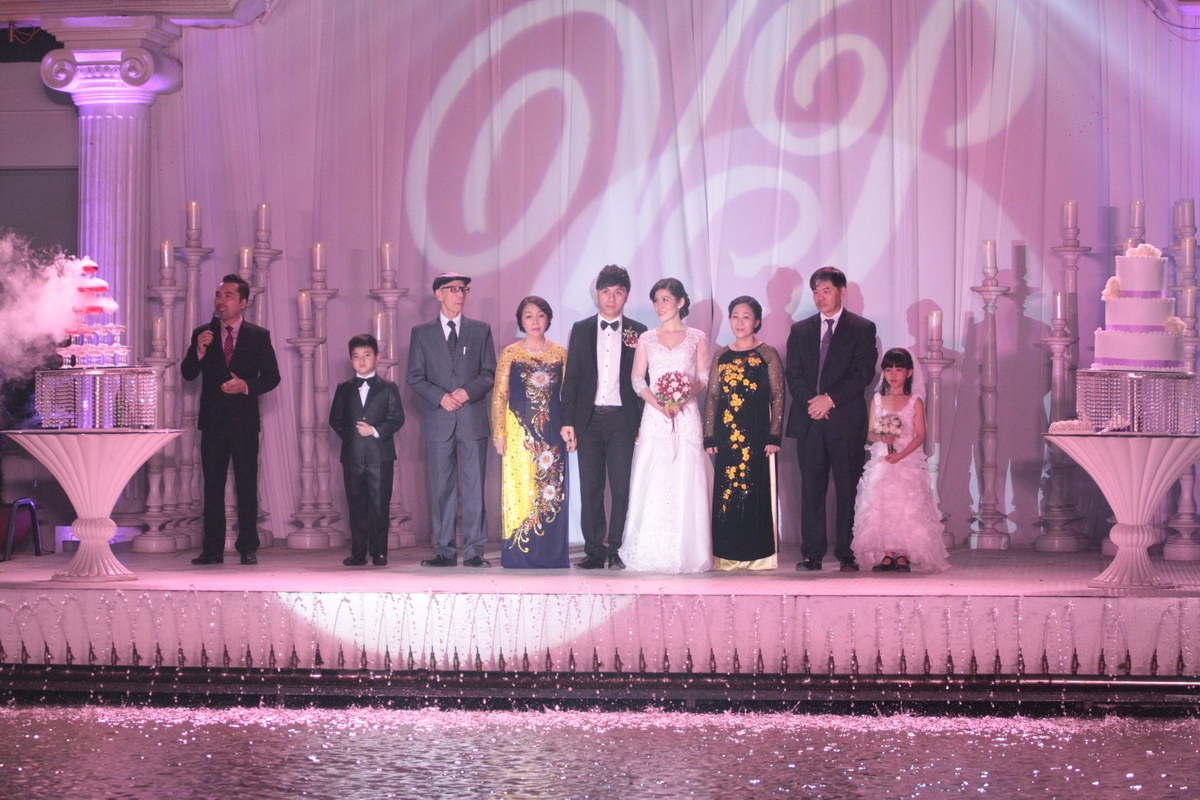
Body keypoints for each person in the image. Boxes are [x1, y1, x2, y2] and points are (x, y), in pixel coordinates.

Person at [181, 273, 280, 566]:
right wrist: (198, 351)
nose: (220, 301)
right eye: (218, 295)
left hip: (244, 421)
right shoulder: (203, 333)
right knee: (212, 486)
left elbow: (272, 377)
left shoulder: (258, 335)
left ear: (243, 302)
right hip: (213, 421)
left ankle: (247, 547)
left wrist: (245, 386)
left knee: (246, 484)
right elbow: (188, 373)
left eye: (228, 296)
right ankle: (212, 550)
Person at [785, 266, 877, 572]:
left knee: (848, 488)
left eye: (826, 291)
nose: (820, 297)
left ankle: (848, 552)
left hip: (845, 421)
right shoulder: (801, 331)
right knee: (811, 488)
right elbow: (793, 374)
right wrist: (812, 403)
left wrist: (830, 399)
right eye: (816, 292)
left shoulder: (862, 329)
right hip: (810, 420)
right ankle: (812, 553)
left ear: (842, 292)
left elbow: (862, 373)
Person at [621, 278, 713, 573]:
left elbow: (704, 377)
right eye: (656, 301)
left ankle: (689, 551)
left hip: (686, 415)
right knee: (655, 476)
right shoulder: (647, 338)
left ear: (680, 302)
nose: (659, 306)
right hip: (655, 416)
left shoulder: (697, 337)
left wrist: (684, 396)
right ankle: (652, 550)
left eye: (665, 300)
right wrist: (659, 404)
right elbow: (637, 379)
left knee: (687, 475)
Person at [406, 272, 497, 568]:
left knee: (474, 487)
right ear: (439, 294)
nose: (460, 294)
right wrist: (440, 397)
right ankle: (444, 551)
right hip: (439, 421)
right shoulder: (421, 333)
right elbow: (415, 376)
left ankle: (474, 551)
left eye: (464, 289)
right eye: (453, 289)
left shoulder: (480, 330)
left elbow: (489, 373)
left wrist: (466, 392)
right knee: (441, 488)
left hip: (471, 420)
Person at [560, 265, 647, 570]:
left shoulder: (638, 331)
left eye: (618, 292)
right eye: (606, 291)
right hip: (589, 419)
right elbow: (571, 378)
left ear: (626, 296)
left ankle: (618, 549)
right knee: (591, 487)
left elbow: (643, 379)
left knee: (622, 487)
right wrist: (568, 421)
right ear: (597, 294)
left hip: (623, 418)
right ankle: (595, 551)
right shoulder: (581, 329)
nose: (611, 298)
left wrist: (642, 421)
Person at [703, 296, 785, 570]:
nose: (740, 322)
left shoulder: (767, 354)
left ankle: (757, 556)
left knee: (754, 492)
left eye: (746, 317)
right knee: (727, 494)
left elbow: (778, 396)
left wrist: (774, 435)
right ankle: (726, 555)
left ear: (757, 321)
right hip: (727, 435)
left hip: (757, 435)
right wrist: (709, 435)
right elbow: (712, 397)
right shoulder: (721, 355)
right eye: (735, 316)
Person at [852, 347, 950, 573]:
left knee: (906, 505)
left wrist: (901, 455)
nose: (893, 374)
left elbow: (921, 435)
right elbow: (870, 432)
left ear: (909, 373)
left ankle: (904, 553)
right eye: (888, 370)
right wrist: (881, 437)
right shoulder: (878, 400)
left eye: (898, 369)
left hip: (907, 462)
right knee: (882, 504)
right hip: (883, 460)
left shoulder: (914, 400)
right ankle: (887, 554)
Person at [491, 297, 570, 568]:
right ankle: (519, 555)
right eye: (528, 316)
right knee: (521, 489)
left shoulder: (560, 353)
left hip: (552, 434)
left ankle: (551, 555)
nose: (535, 321)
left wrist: (569, 428)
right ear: (521, 321)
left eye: (540, 315)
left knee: (551, 491)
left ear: (548, 319)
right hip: (519, 434)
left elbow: (568, 396)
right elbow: (499, 396)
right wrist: (499, 432)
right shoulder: (510, 353)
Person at [329, 333, 406, 567]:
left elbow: (397, 418)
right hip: (353, 457)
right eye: (356, 356)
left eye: (366, 355)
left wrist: (373, 431)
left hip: (380, 456)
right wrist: (354, 438)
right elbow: (335, 419)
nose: (361, 361)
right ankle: (358, 553)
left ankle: (379, 552)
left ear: (377, 357)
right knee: (356, 505)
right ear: (350, 360)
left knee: (379, 505)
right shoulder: (344, 388)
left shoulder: (388, 388)